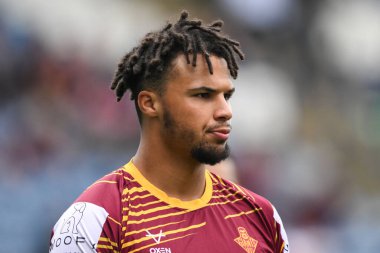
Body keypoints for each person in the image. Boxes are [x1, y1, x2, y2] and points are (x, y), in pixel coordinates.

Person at [49, 11, 289, 253]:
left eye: (226, 96)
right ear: (150, 104)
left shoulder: (262, 217)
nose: (225, 111)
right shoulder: (97, 219)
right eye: (203, 95)